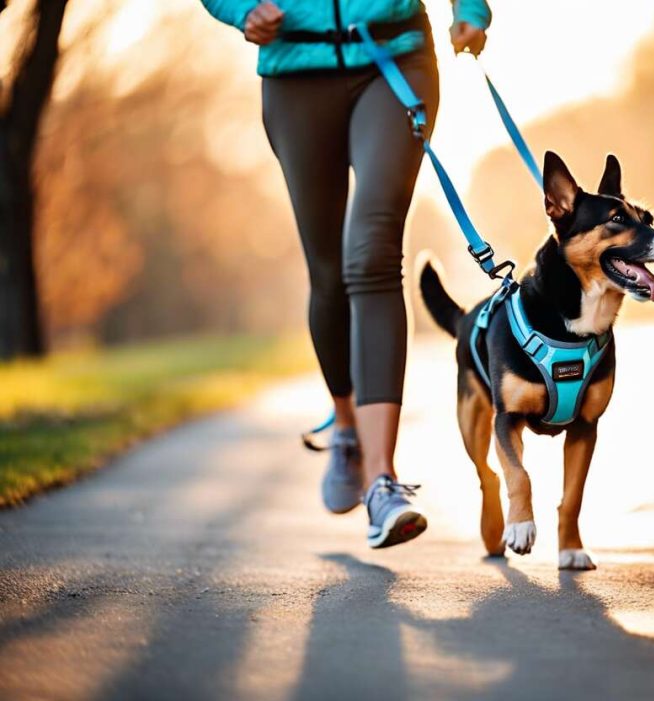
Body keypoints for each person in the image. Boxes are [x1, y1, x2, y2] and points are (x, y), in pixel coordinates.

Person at [200, 0, 490, 548]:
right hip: (294, 71)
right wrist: (242, 10)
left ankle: (382, 483)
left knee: (373, 254)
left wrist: (470, 8)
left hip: (393, 56)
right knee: (328, 271)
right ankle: (346, 426)